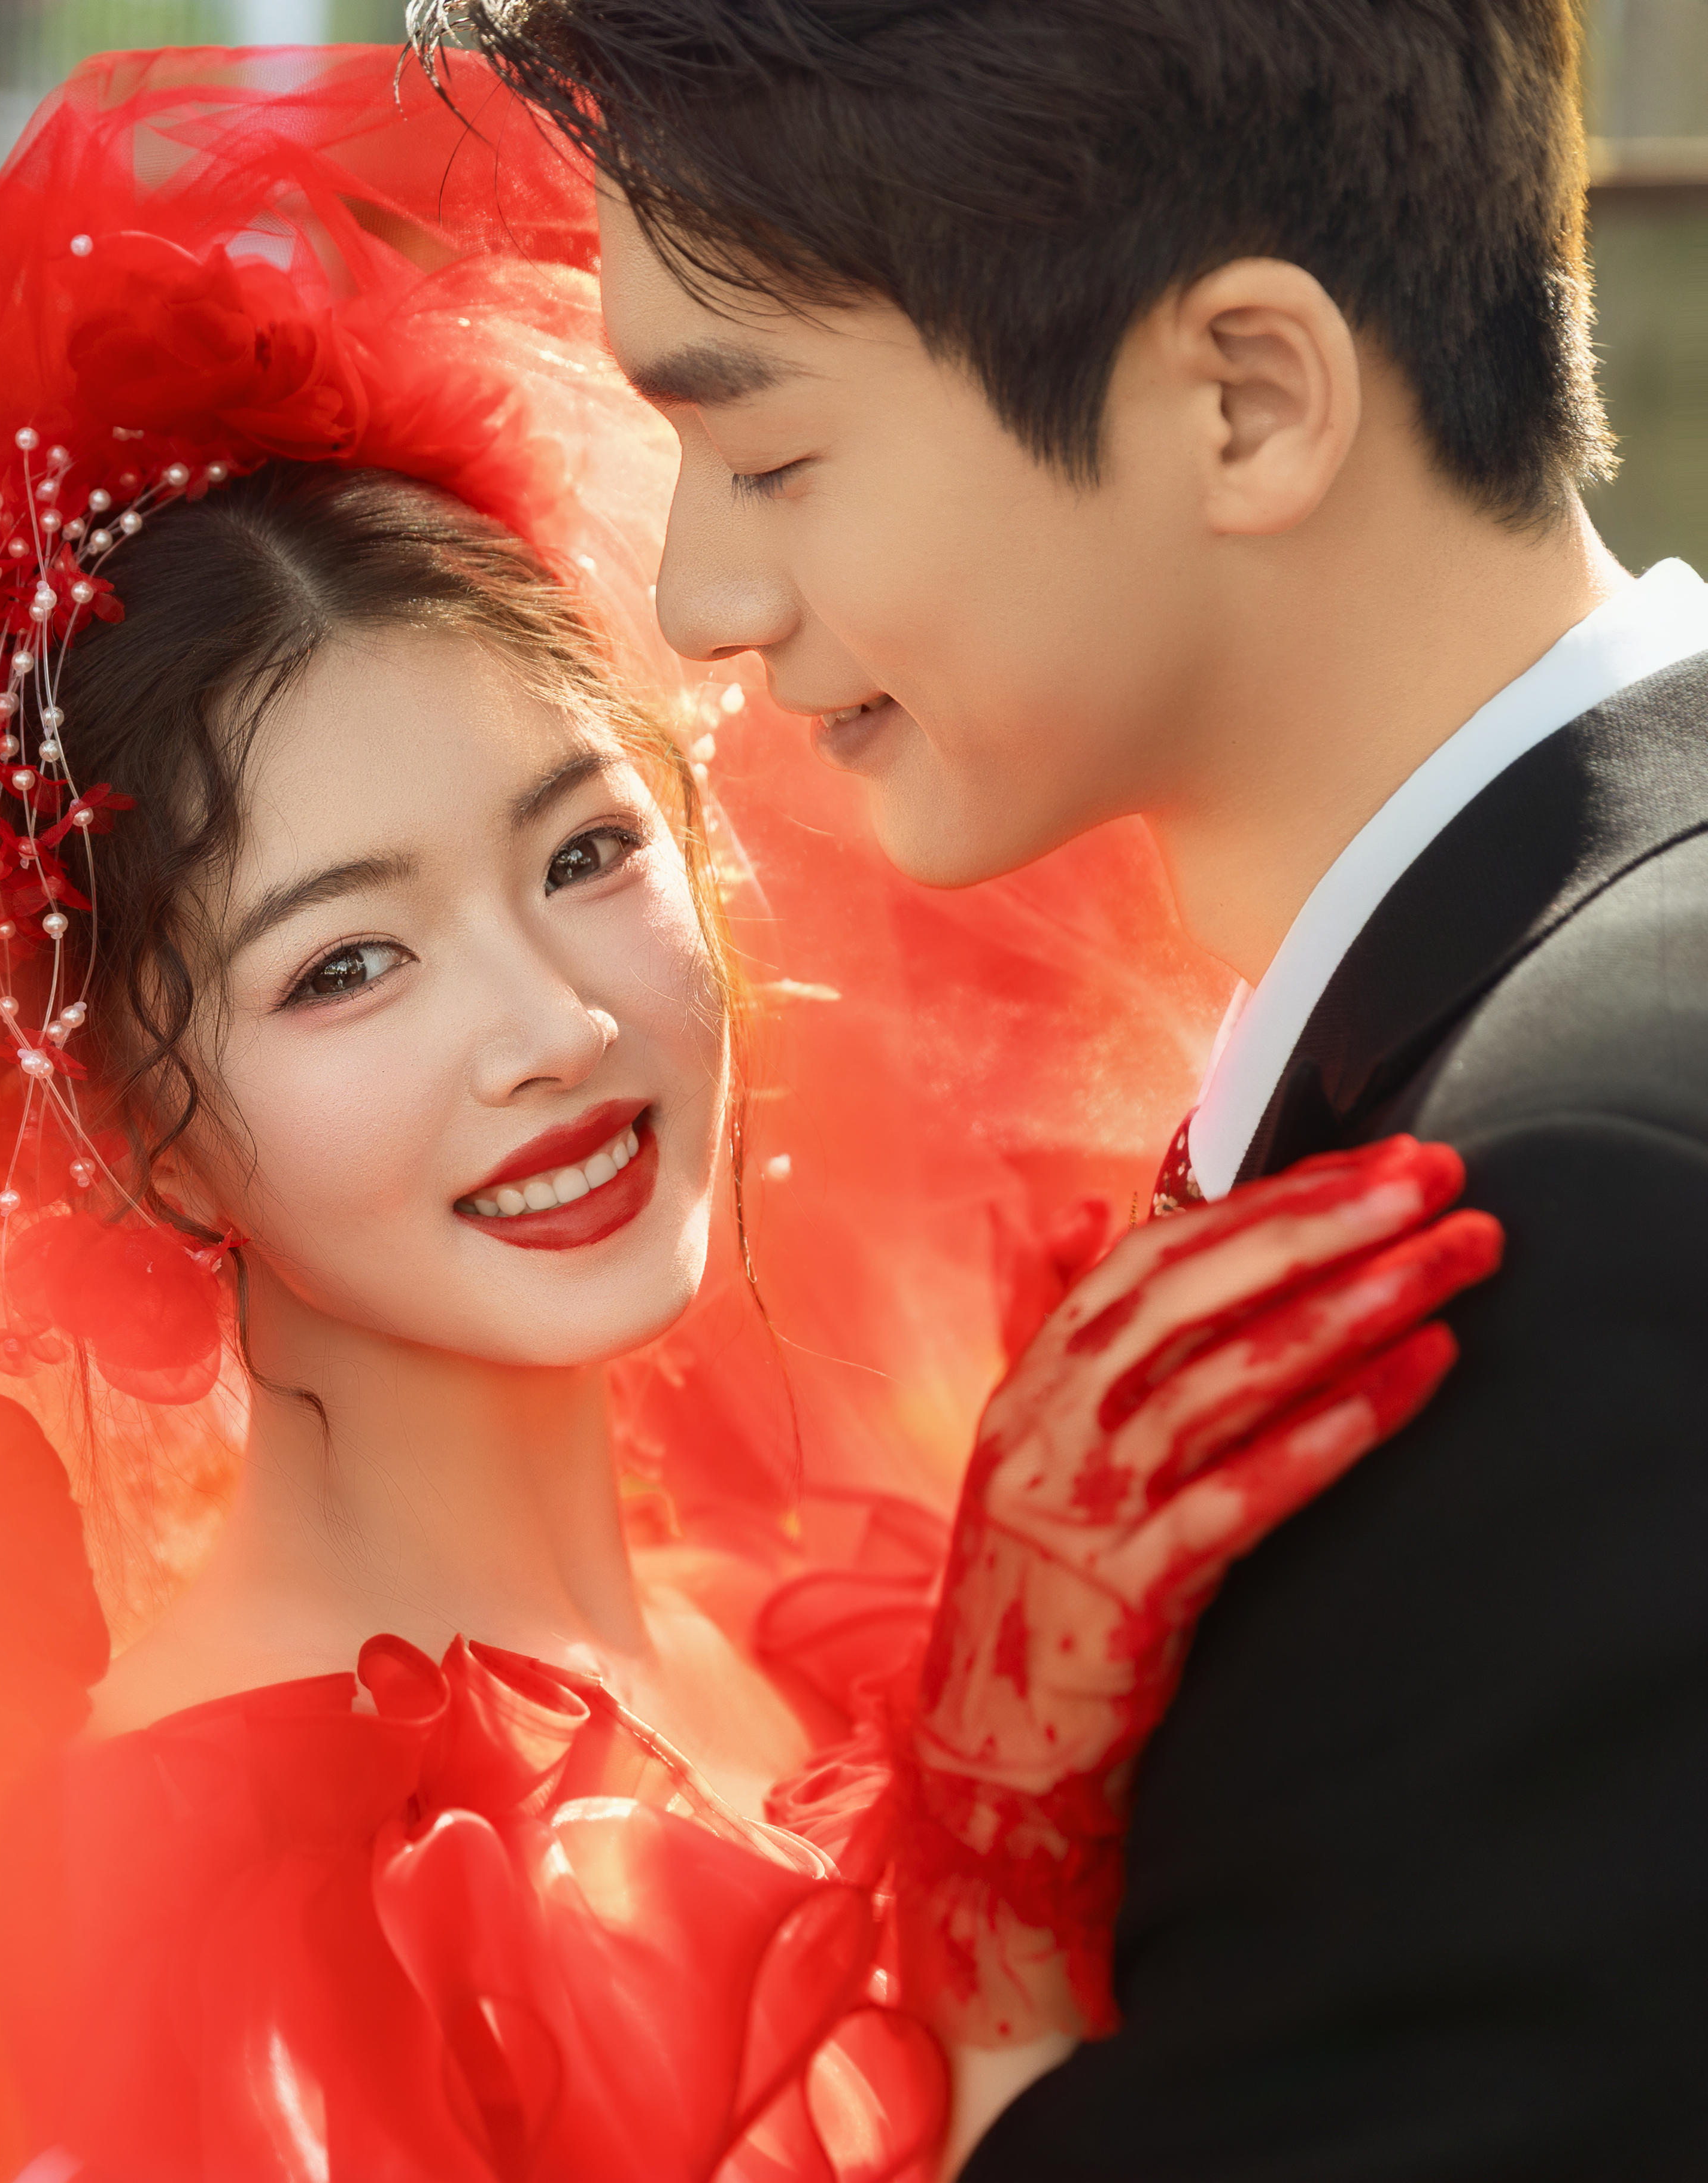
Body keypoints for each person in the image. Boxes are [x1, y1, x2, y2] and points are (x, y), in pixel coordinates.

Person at [0, 39, 1492, 2183]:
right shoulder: (209, 1895)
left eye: (587, 854)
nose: (551, 1024)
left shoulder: (823, 1628)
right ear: (127, 1126)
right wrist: (996, 1896)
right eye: (344, 965)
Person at [419, 1, 1708, 2176]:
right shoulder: (1533, 1029)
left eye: (771, 459)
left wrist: (1000, 1980)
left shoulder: (1559, 1226)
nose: (697, 599)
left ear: (1245, 398)